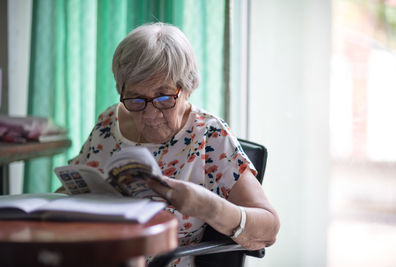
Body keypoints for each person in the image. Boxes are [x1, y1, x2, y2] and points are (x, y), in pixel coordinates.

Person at [68, 22, 279, 266]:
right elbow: (74, 190)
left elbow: (269, 228)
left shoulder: (209, 136)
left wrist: (209, 207)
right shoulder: (109, 123)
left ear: (187, 87)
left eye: (164, 97)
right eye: (136, 99)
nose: (150, 114)